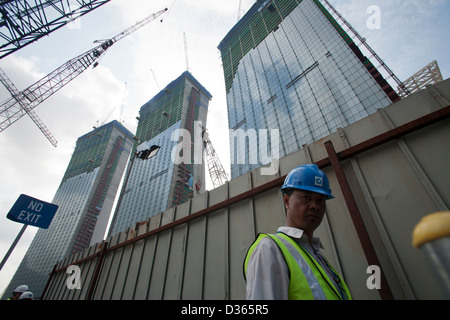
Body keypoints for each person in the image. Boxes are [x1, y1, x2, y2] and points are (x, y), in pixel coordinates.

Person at [244, 164, 352, 300]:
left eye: (320, 200)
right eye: (306, 197)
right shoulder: (270, 249)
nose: (315, 206)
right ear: (287, 201)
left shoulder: (317, 255)